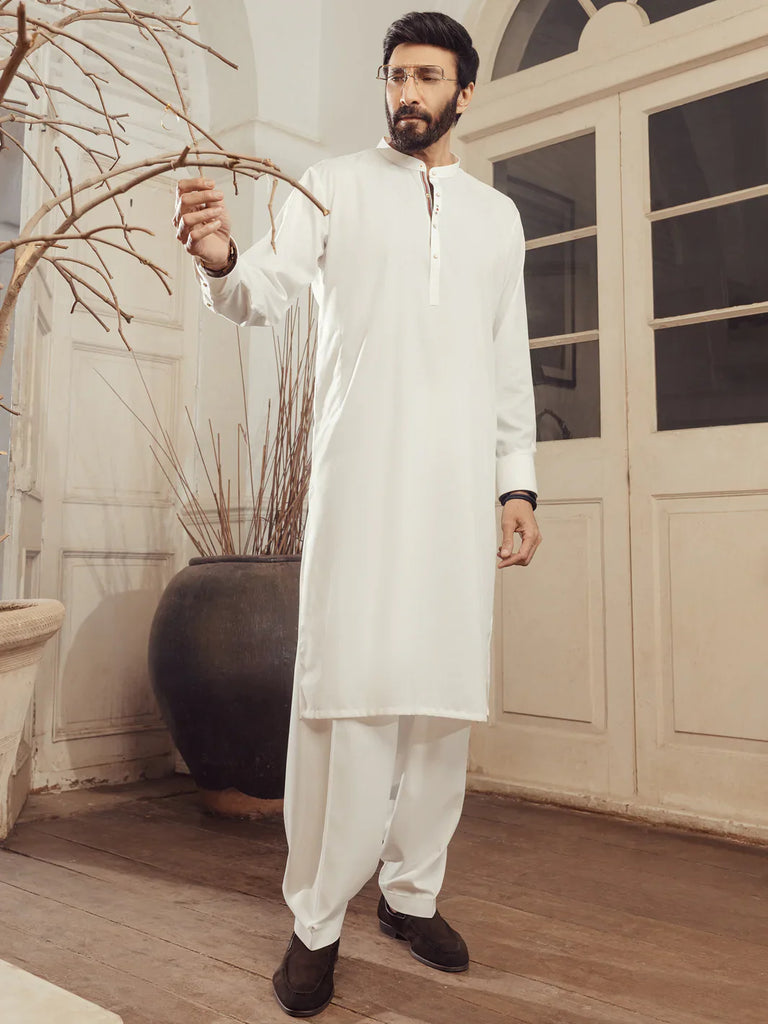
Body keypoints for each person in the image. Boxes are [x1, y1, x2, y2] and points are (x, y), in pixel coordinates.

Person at [173, 11, 541, 1017]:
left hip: (456, 496)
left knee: (441, 703)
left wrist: (515, 484)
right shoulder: (330, 185)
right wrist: (221, 259)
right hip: (361, 489)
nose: (407, 93)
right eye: (396, 76)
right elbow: (263, 291)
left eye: (427, 77)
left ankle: (411, 894)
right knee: (348, 702)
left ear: (464, 93)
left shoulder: (497, 219)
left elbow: (507, 362)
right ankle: (317, 920)